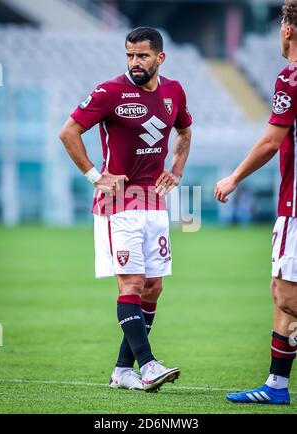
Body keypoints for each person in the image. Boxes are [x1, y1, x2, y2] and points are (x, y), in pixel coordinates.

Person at [59, 27, 192, 392]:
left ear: (160, 58)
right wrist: (94, 175)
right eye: (130, 55)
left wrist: (177, 168)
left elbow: (184, 131)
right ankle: (147, 365)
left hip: (154, 201)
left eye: (142, 56)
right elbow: (68, 132)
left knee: (152, 288)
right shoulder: (110, 92)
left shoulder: (173, 92)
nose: (135, 62)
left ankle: (122, 370)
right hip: (117, 203)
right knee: (132, 283)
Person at [214, 1, 297, 405]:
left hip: (295, 208)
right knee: (279, 290)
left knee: (286, 296)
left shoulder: (291, 78)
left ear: (287, 29)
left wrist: (233, 177)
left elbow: (270, 141)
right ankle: (277, 387)